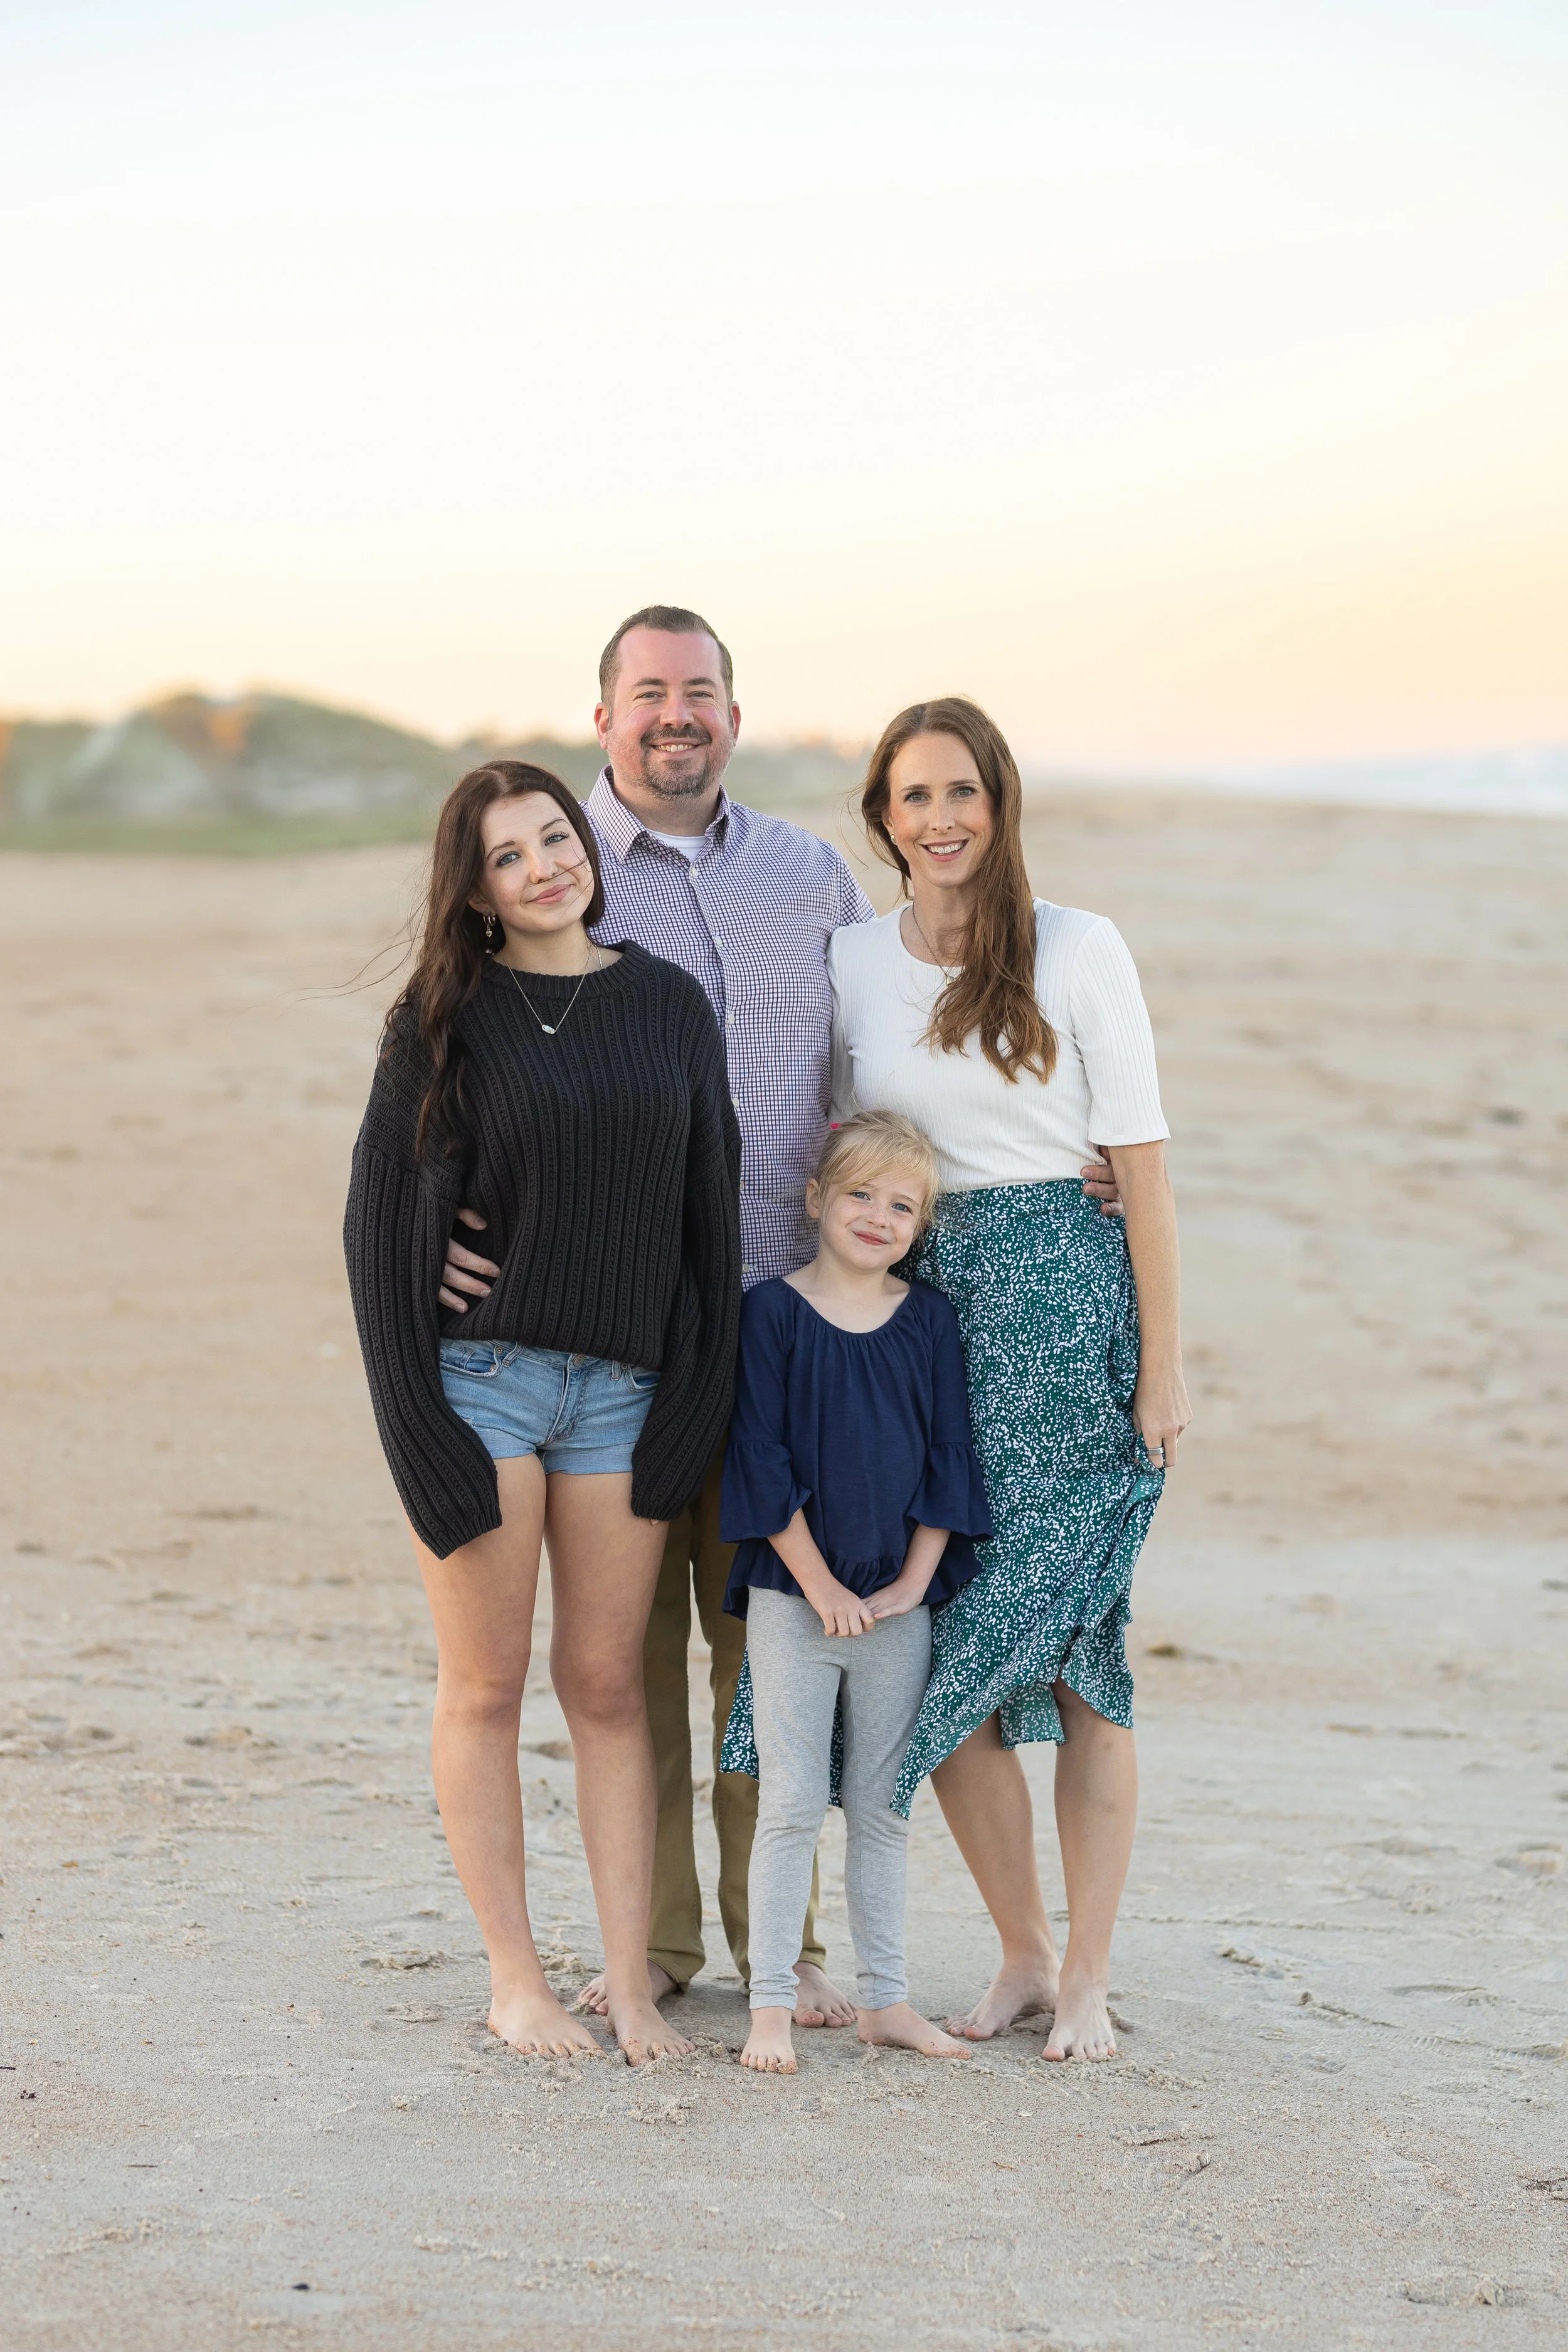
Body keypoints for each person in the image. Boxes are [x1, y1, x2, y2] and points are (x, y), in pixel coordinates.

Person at [435, 608, 1121, 2021]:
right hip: (626, 1334)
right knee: (625, 1661)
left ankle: (781, 1950)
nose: (674, 713)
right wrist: (441, 1223)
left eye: (699, 690)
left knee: (777, 1652)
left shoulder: (809, 877)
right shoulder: (558, 869)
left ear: (734, 716)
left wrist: (1070, 1154)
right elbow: (469, 1055)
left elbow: (897, 1058)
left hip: (801, 1330)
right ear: (605, 717)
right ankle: (657, 1944)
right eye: (647, 693)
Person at [344, 758, 740, 2065]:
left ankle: (628, 1983)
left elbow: (709, 1223)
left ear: (588, 844)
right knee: (487, 1685)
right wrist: (419, 1424)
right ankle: (515, 1979)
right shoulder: (441, 1020)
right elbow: (377, 1224)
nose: (542, 867)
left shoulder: (668, 1005)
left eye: (554, 837)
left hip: (624, 1394)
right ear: (477, 892)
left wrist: (690, 1407)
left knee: (609, 1687)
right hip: (484, 1388)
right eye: (507, 857)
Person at [829, 697, 1191, 2062]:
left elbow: (1142, 1173)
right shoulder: (852, 962)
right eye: (915, 796)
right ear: (884, 818)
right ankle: (1023, 1954)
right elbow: (840, 1150)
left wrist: (1162, 1369)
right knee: (951, 1654)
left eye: (963, 791)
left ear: (1001, 802)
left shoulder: (1079, 948)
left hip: (1070, 1325)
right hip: (923, 1331)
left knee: (1086, 1655)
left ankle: (1087, 1975)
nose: (942, 819)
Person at [718, 1111, 990, 2075]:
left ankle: (885, 2000)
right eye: (861, 1194)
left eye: (903, 1205)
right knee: (792, 1800)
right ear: (816, 1199)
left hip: (896, 1607)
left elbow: (949, 1456)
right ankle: (771, 2006)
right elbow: (759, 1459)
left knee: (881, 1807)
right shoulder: (772, 1313)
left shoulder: (930, 1321)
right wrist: (820, 1583)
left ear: (921, 1224)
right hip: (796, 1598)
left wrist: (915, 1581)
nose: (879, 1216)